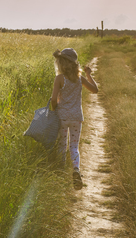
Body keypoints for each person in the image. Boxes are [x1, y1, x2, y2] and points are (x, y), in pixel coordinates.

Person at [51, 48, 98, 190]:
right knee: (74, 146)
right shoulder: (80, 79)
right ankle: (76, 169)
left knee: (61, 144)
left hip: (63, 117)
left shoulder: (59, 79)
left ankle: (60, 171)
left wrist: (54, 109)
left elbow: (53, 100)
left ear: (61, 63)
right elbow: (95, 90)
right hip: (77, 117)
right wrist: (89, 74)